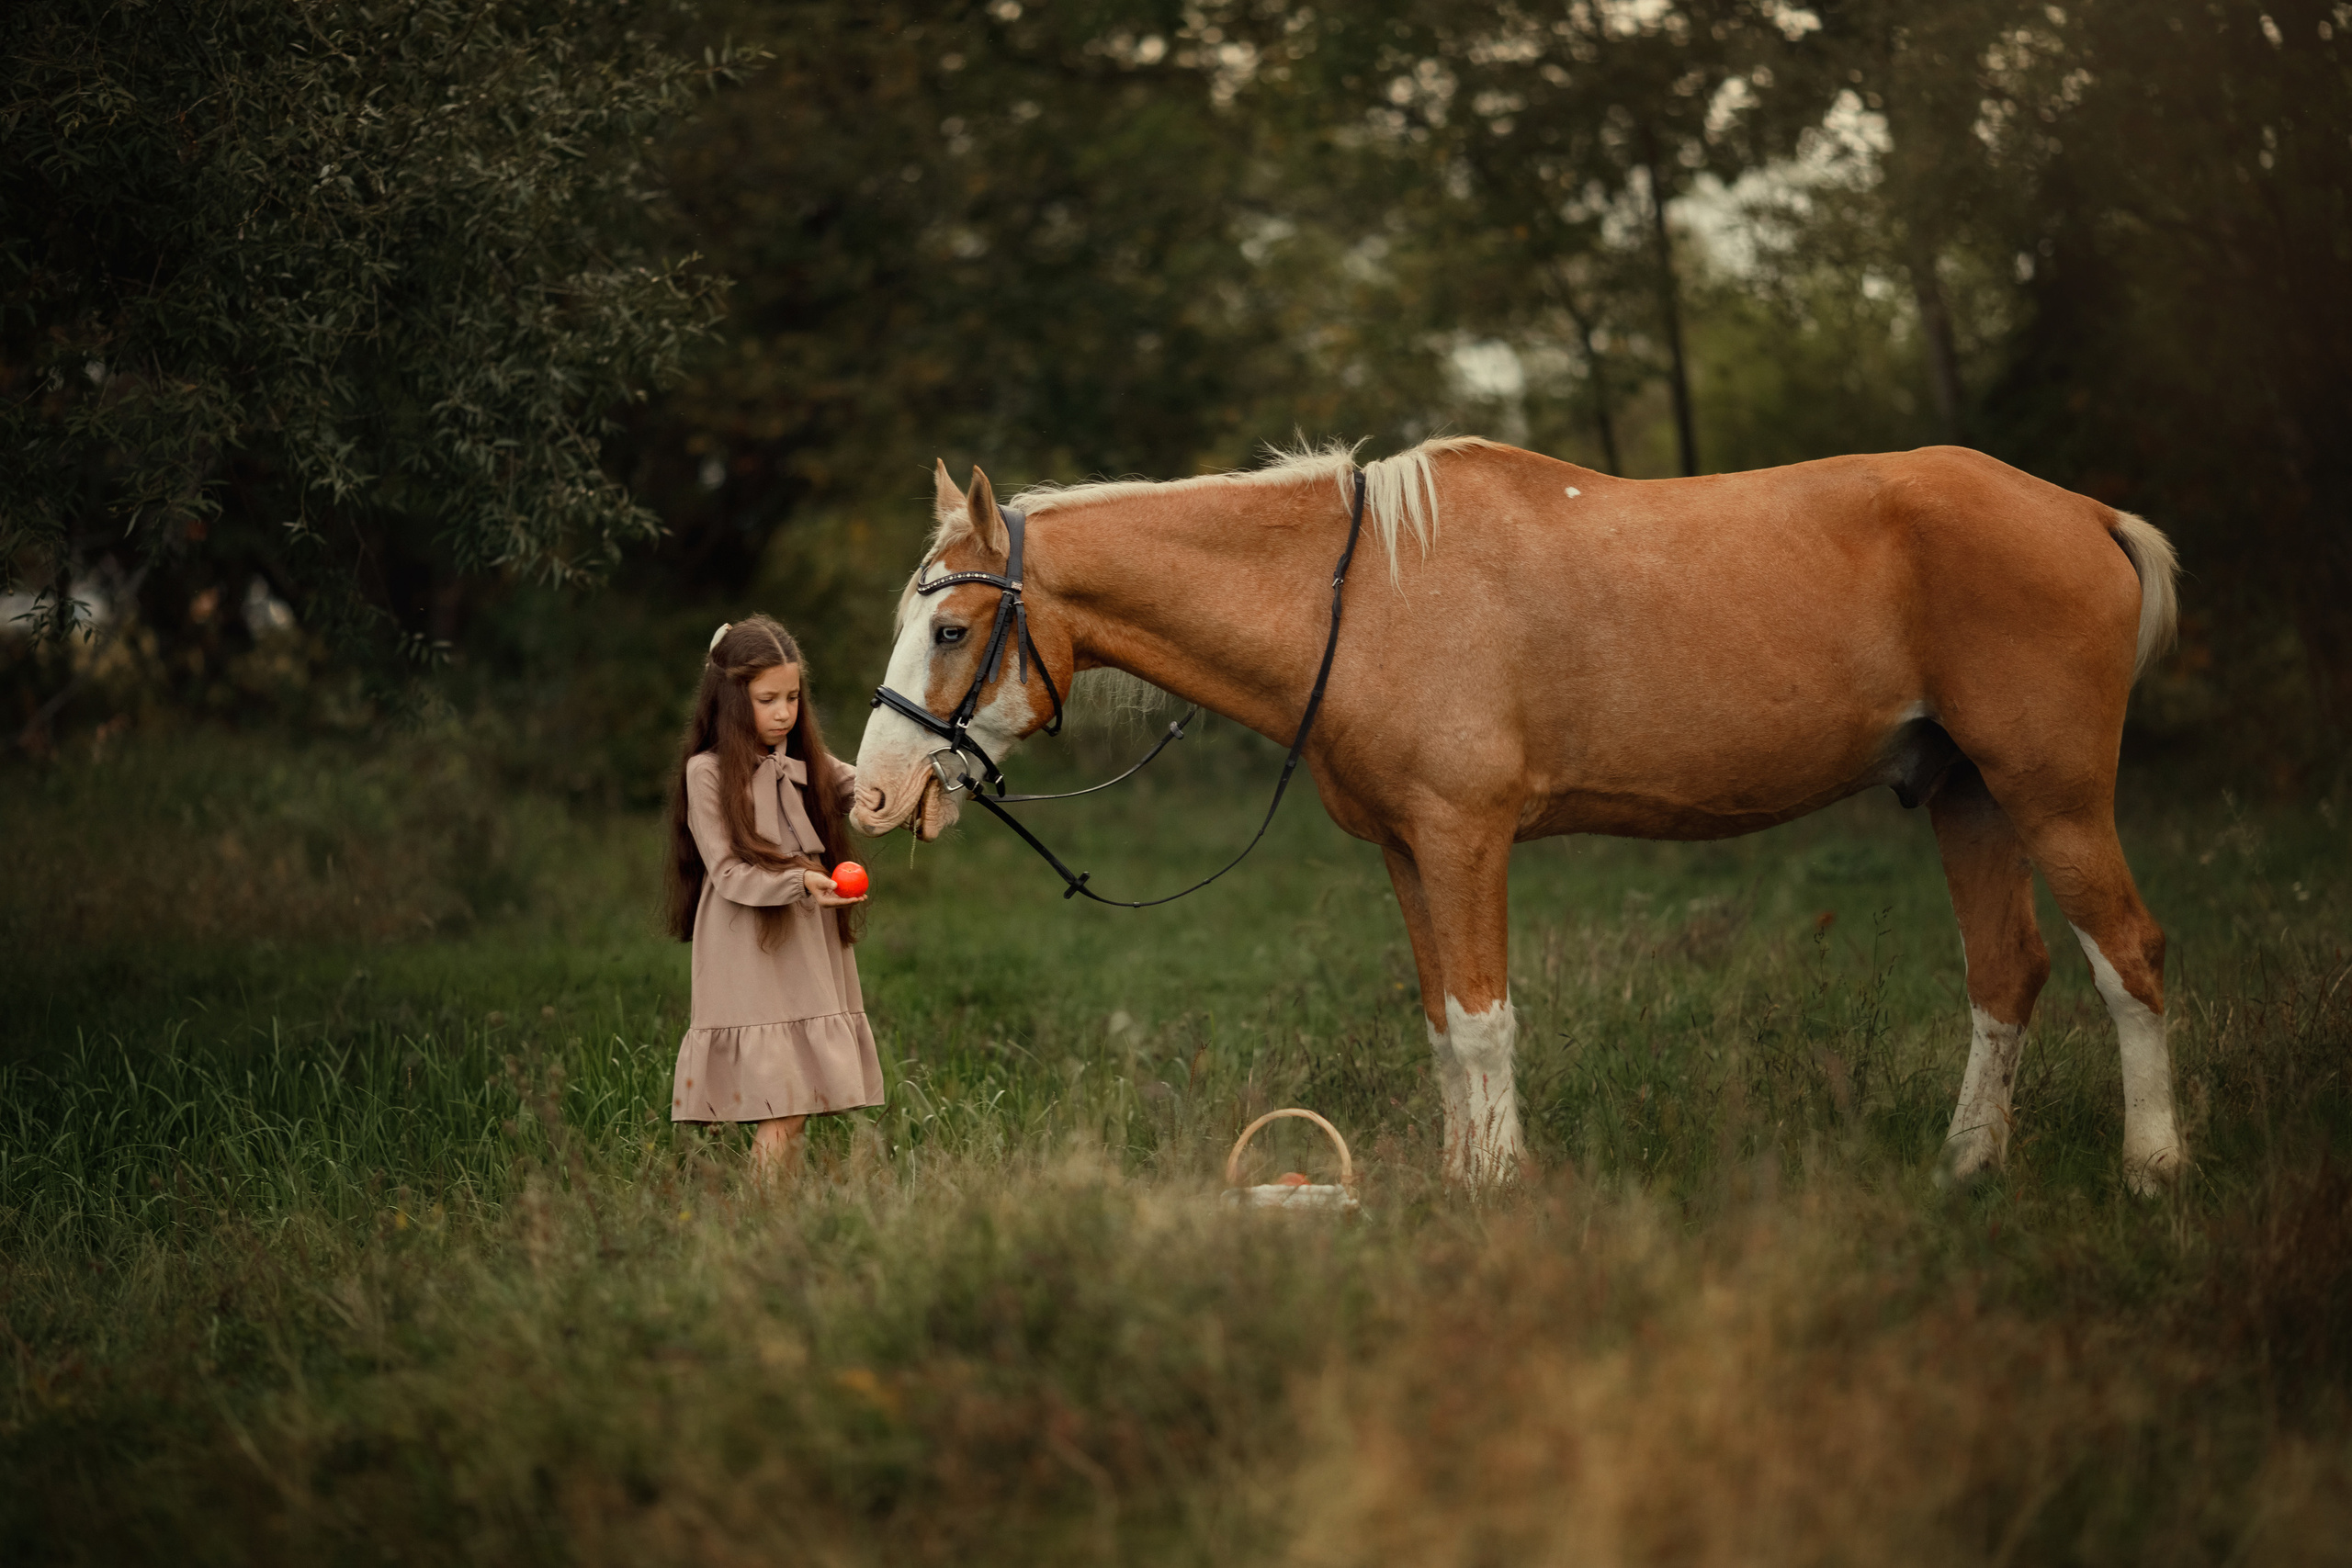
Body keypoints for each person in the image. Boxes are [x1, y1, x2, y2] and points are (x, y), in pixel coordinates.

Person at [663, 615, 879, 1178]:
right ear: (733, 700)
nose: (784, 712)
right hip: (750, 944)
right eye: (767, 699)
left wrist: (911, 786)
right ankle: (765, 1225)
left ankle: (777, 1219)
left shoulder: (803, 760)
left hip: (804, 935)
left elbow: (863, 788)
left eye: (792, 696)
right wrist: (801, 879)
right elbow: (730, 873)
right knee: (780, 1103)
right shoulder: (705, 773)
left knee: (796, 1103)